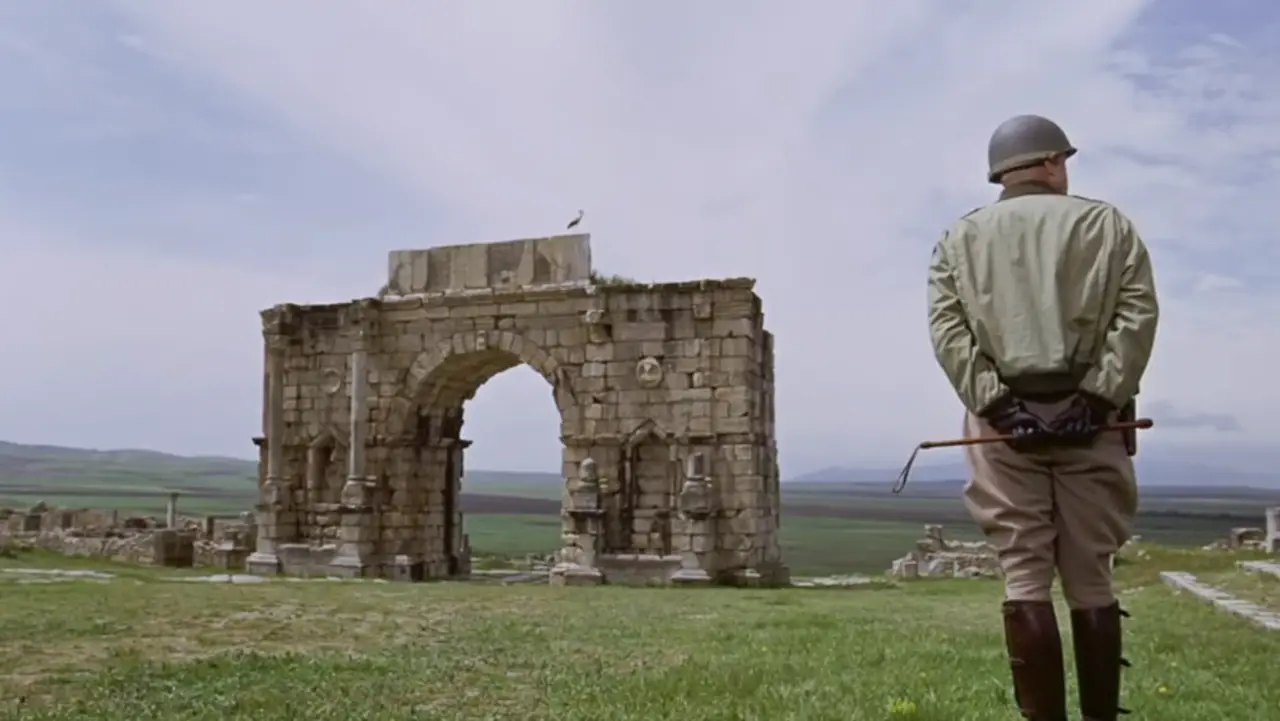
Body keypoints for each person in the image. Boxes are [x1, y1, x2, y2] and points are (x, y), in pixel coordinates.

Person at [926, 114, 1159, 721]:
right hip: (1095, 419)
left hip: (1003, 426)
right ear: (1052, 163)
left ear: (1001, 171)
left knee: (1025, 573)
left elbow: (948, 330)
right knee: (1092, 575)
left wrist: (1000, 405)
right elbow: (1137, 314)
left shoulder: (959, 239)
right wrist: (1099, 399)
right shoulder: (1106, 225)